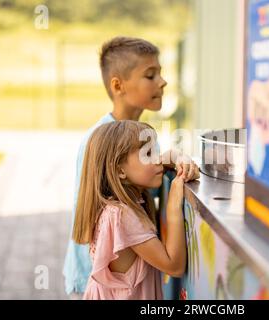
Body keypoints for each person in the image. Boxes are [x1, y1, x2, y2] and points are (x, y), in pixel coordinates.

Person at [63, 36, 199, 297]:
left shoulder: (142, 137)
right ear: (118, 85)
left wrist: (174, 158)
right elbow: (89, 214)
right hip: (100, 281)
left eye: (160, 73)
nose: (162, 82)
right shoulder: (98, 140)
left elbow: (142, 188)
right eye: (150, 75)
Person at [72, 120, 186, 299]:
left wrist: (176, 156)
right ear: (120, 171)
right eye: (148, 153)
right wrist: (173, 206)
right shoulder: (121, 215)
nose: (158, 159)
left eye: (156, 150)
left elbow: (151, 166)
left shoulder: (122, 204)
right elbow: (174, 266)